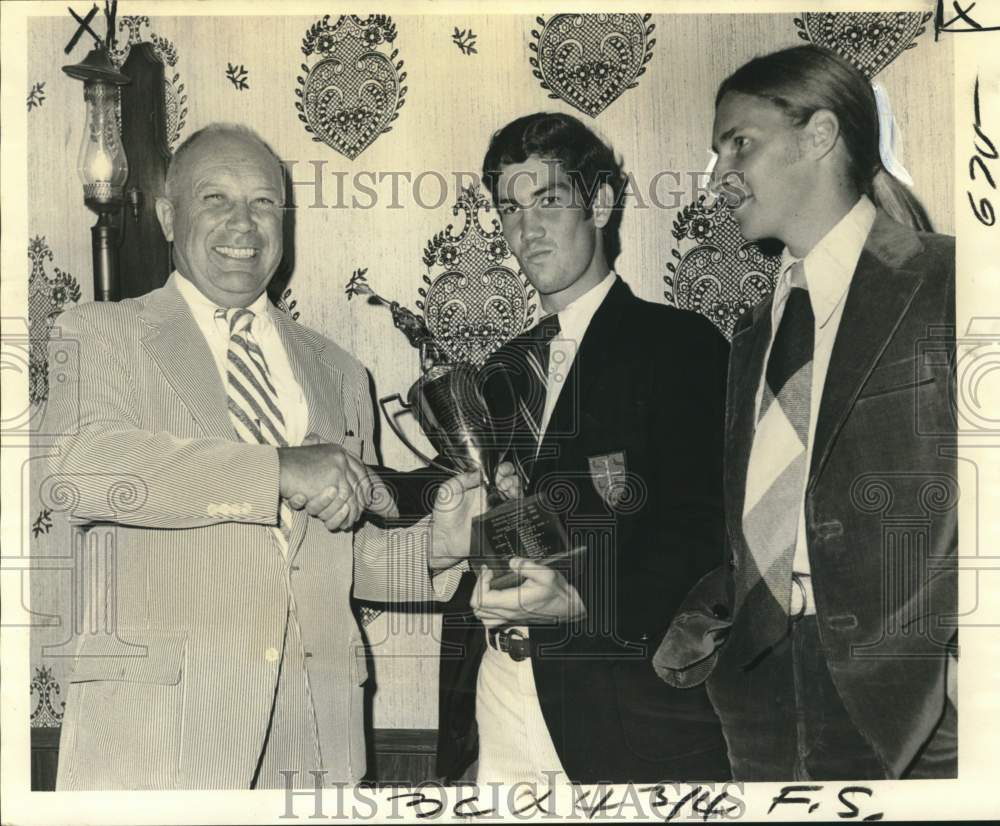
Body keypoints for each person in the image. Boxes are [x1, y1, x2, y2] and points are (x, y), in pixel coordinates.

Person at [46, 123, 490, 790]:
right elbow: (82, 472)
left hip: (314, 743)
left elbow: (346, 558)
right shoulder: (99, 332)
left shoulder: (340, 373)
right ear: (169, 216)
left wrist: (436, 547)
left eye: (263, 203)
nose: (244, 225)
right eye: (215, 199)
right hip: (158, 748)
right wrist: (277, 468)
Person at [654, 44, 957, 781]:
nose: (718, 175)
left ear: (819, 135)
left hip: (912, 699)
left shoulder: (947, 278)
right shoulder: (755, 329)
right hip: (757, 689)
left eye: (740, 144)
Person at [435, 112, 732, 786]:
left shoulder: (680, 348)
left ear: (599, 202)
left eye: (548, 201)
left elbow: (702, 532)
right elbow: (470, 520)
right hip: (498, 696)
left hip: (619, 707)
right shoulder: (497, 375)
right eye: (510, 208)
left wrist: (581, 599)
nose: (526, 229)